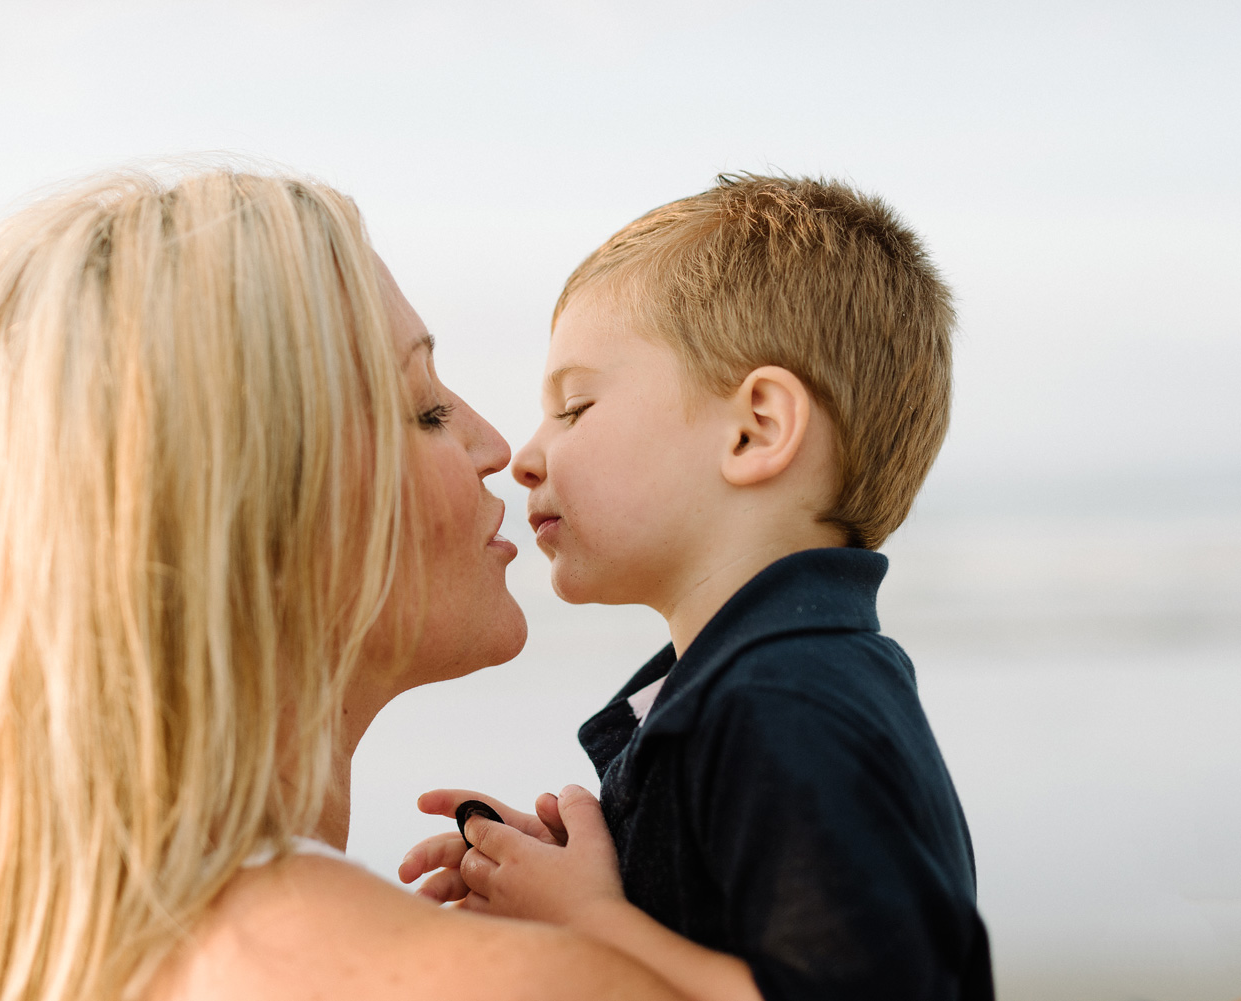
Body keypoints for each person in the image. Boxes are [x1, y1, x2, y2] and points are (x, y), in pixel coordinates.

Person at [0, 167, 692, 1001]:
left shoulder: (51, 948)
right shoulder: (509, 983)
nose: (498, 446)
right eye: (424, 408)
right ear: (250, 512)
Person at [400, 174, 995, 1001]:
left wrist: (594, 925)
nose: (525, 453)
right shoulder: (753, 689)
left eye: (573, 407)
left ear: (755, 429)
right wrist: (578, 886)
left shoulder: (789, 704)